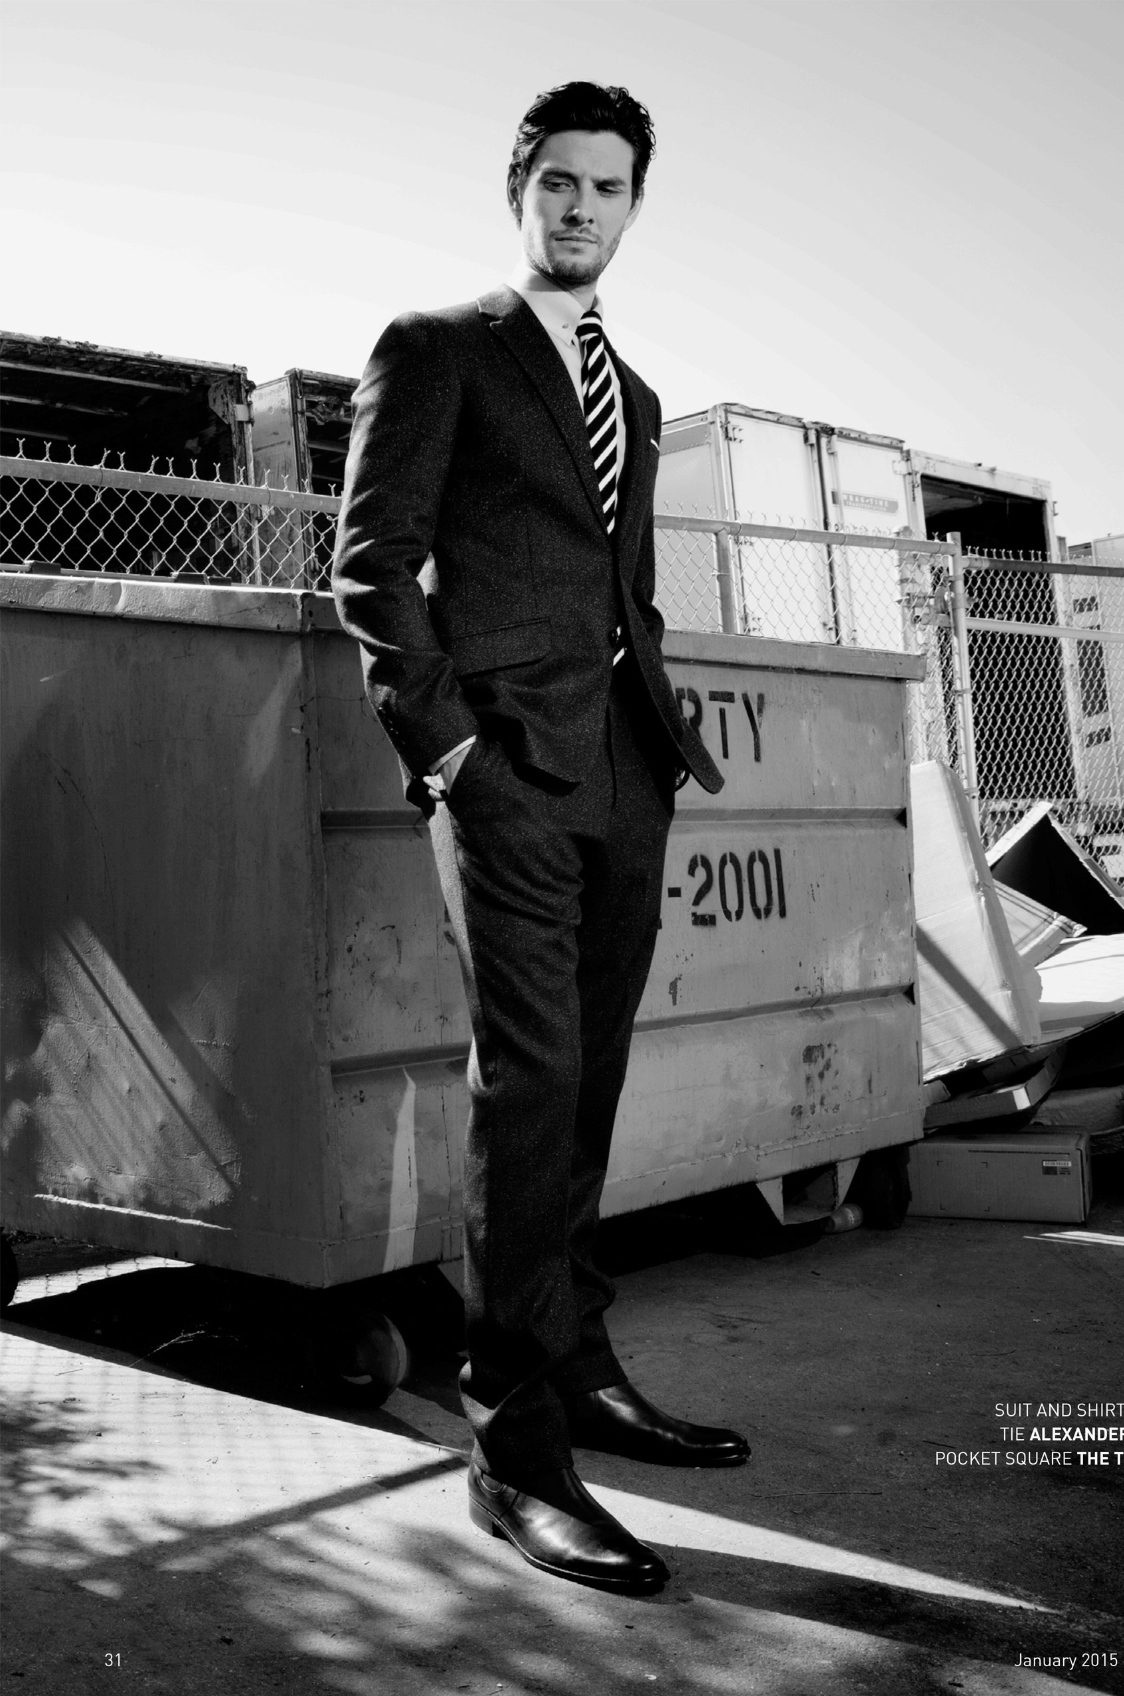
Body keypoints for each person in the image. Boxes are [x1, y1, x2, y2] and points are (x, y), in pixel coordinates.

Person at [332, 81, 750, 1593]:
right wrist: (454, 755)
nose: (581, 208)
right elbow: (371, 563)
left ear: (636, 205)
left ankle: (578, 1361)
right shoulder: (438, 347)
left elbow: (618, 589)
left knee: (593, 1084)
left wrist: (659, 741)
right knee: (530, 1088)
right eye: (558, 182)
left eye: (608, 186)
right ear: (520, 190)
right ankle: (513, 1452)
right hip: (504, 772)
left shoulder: (633, 392)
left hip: (628, 773)